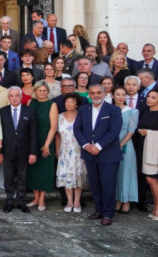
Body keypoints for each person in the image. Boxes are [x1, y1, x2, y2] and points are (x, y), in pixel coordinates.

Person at [73, 84, 123, 226]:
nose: (95, 95)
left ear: (104, 93)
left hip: (108, 154)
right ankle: (99, 210)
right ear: (89, 94)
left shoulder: (113, 110)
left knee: (108, 184)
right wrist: (86, 145)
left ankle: (108, 213)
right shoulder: (83, 109)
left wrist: (99, 146)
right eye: (92, 93)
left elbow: (114, 131)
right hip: (89, 153)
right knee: (95, 184)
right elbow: (77, 129)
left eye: (98, 93)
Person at [0, 87, 37, 213]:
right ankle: (9, 200)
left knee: (22, 176)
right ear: (8, 97)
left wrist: (33, 152)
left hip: (24, 151)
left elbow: (33, 134)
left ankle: (21, 201)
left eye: (17, 96)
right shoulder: (1, 112)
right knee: (8, 177)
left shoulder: (29, 111)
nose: (14, 98)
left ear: (21, 97)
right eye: (12, 96)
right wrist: (0, 151)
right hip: (7, 150)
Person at [135, 89, 158, 220]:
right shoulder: (144, 113)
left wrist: (148, 132)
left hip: (156, 150)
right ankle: (156, 207)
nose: (149, 99)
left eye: (153, 98)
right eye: (148, 97)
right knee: (149, 179)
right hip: (143, 148)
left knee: (152, 179)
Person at [26, 82, 58, 211]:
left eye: (45, 90)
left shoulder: (52, 105)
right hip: (32, 142)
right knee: (33, 171)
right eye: (40, 90)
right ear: (35, 91)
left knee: (45, 171)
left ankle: (42, 199)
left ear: (48, 92)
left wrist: (46, 145)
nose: (42, 92)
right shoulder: (30, 103)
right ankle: (35, 198)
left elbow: (53, 127)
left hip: (46, 142)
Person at [56, 93, 87, 213]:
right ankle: (69, 201)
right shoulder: (59, 116)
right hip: (65, 150)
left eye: (71, 102)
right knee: (67, 175)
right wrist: (58, 150)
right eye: (67, 101)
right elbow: (57, 135)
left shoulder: (82, 116)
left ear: (77, 104)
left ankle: (77, 202)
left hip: (79, 150)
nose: (68, 104)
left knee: (78, 176)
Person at [112, 86, 139, 214]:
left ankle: (127, 200)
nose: (120, 97)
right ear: (113, 96)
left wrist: (121, 143)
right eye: (118, 94)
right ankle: (118, 199)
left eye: (123, 94)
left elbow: (131, 130)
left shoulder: (132, 111)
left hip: (126, 144)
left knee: (126, 172)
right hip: (111, 144)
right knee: (115, 173)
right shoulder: (109, 110)